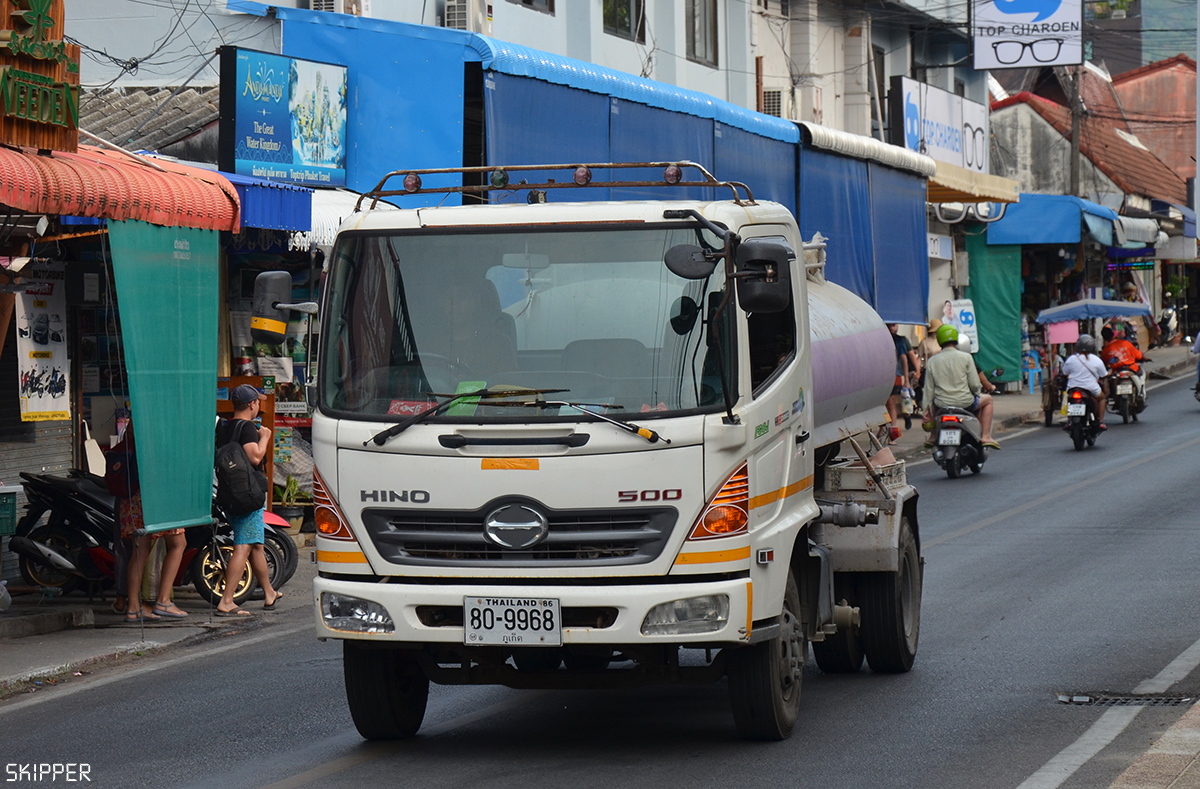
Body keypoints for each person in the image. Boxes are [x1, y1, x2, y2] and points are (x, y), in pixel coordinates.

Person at [215, 384, 281, 616]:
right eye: (258, 402)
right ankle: (227, 600)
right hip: (248, 494)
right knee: (243, 545)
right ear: (252, 404)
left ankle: (269, 591)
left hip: (230, 493)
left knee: (255, 544)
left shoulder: (225, 427)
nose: (259, 405)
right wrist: (264, 437)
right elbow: (255, 457)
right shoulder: (248, 428)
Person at [117, 423, 189, 622]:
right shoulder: (162, 422)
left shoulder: (135, 423)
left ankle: (133, 607)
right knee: (178, 543)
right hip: (158, 492)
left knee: (140, 549)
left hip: (135, 494)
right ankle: (164, 600)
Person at [921, 324, 999, 449]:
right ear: (956, 340)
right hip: (965, 402)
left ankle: (934, 436)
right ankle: (985, 436)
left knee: (934, 404)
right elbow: (974, 384)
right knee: (988, 400)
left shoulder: (932, 361)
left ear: (940, 340)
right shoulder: (966, 357)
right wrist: (976, 392)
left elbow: (929, 390)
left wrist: (925, 410)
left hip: (942, 404)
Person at [1060, 334, 1109, 430]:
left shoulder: (1071, 359)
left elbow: (1065, 372)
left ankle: (1069, 420)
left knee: (1069, 400)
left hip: (1073, 387)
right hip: (1091, 388)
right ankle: (1101, 421)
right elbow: (1103, 375)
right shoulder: (1096, 360)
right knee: (1102, 398)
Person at [886, 324, 918, 439]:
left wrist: (906, 378)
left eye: (893, 326)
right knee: (886, 405)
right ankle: (885, 430)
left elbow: (905, 358)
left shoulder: (900, 340)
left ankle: (892, 432)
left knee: (891, 403)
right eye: (888, 326)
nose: (891, 328)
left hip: (895, 375)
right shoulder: (881, 339)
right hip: (884, 376)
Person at [1100, 326, 1145, 405]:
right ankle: (1141, 393)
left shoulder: (1106, 350)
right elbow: (1138, 355)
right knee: (1142, 374)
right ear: (1113, 335)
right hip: (1131, 369)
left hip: (1116, 371)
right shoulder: (1126, 343)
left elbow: (1104, 362)